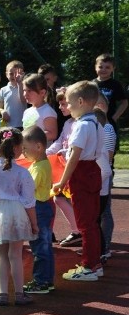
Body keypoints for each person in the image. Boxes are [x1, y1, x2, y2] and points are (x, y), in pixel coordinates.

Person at [52, 81, 104, 281]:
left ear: (81, 102)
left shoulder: (82, 126)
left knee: (84, 223)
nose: (69, 107)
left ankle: (89, 266)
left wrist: (62, 180)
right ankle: (95, 263)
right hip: (92, 171)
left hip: (82, 173)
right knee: (90, 222)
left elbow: (74, 156)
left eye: (70, 103)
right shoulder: (96, 123)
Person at [0, 127, 38, 306]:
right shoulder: (22, 172)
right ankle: (20, 294)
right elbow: (29, 202)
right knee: (15, 255)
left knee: (2, 255)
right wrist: (34, 224)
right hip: (15, 212)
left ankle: (3, 293)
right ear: (16, 148)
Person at [21, 126, 55, 294]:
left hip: (39, 209)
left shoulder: (39, 167)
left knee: (40, 248)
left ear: (39, 147)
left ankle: (41, 281)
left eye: (25, 149)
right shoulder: (39, 164)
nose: (23, 152)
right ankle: (46, 280)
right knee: (44, 247)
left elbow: (28, 188)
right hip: (43, 207)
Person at [46, 90, 81, 247]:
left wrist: (63, 153)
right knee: (59, 198)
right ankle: (77, 230)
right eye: (59, 103)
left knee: (64, 198)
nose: (60, 107)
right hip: (64, 167)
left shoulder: (80, 124)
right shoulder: (67, 123)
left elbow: (76, 148)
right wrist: (43, 153)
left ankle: (79, 231)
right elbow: (60, 142)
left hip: (75, 168)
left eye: (63, 104)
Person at [93, 108, 115, 264]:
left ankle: (101, 251)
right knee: (96, 220)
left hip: (99, 191)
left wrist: (93, 186)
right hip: (99, 189)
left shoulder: (104, 135)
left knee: (97, 220)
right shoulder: (96, 144)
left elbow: (105, 169)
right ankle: (99, 251)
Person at [93, 53, 127, 134]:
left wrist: (115, 117)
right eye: (100, 67)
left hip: (108, 121)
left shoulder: (115, 84)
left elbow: (124, 102)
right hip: (93, 121)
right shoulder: (91, 84)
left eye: (107, 67)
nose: (103, 70)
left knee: (109, 144)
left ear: (113, 68)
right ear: (95, 67)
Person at [22, 73, 58, 144]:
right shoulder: (27, 111)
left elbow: (52, 134)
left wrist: (29, 137)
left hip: (42, 153)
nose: (25, 94)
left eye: (29, 91)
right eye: (24, 90)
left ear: (42, 92)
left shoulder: (47, 111)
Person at [0, 61, 25, 130]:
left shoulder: (25, 88)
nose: (14, 76)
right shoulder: (3, 90)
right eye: (11, 74)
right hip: (8, 126)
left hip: (23, 125)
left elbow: (23, 100)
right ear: (6, 74)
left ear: (22, 74)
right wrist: (2, 112)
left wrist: (20, 84)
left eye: (17, 74)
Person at [38, 64, 65, 135]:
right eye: (42, 80)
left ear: (55, 78)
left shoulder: (60, 94)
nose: (45, 83)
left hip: (60, 131)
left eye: (47, 80)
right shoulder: (37, 95)